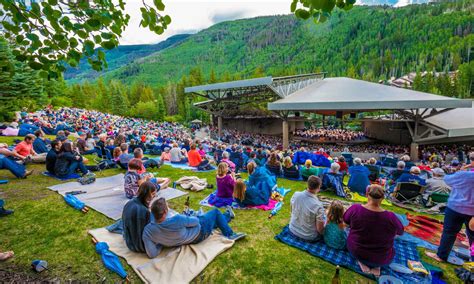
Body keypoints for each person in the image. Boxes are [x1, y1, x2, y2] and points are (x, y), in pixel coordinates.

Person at [142, 198, 245, 258]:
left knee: (212, 220)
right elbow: (195, 221)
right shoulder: (177, 219)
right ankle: (230, 234)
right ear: (165, 212)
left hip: (188, 238)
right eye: (167, 207)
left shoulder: (147, 231)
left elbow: (152, 254)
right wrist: (188, 218)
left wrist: (161, 243)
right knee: (215, 212)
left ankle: (227, 215)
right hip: (200, 232)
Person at [343, 185, 403, 277]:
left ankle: (361, 261)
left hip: (357, 251)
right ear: (383, 198)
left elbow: (345, 221)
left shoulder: (355, 208)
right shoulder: (391, 217)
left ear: (367, 194)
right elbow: (400, 232)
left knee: (347, 232)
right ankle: (377, 265)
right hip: (382, 259)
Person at [426, 170, 474, 263]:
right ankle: (472, 260)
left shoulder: (464, 174)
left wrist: (462, 170)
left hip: (455, 207)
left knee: (449, 232)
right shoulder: (465, 175)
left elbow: (447, 179)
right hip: (471, 211)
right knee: (472, 235)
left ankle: (441, 256)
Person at [122, 181, 157, 253]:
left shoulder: (130, 202)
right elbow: (147, 231)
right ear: (147, 194)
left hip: (128, 240)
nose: (155, 196)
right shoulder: (143, 211)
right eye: (153, 194)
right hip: (139, 246)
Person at [289, 176, 325, 242]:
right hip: (309, 236)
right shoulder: (318, 205)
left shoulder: (296, 194)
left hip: (292, 228)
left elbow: (291, 211)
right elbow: (320, 230)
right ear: (319, 187)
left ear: (307, 184)